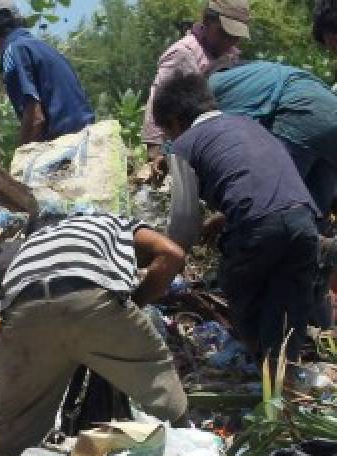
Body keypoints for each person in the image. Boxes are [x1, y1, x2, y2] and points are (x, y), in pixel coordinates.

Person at [0, 214, 189, 456]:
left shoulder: (37, 241)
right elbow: (171, 254)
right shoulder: (114, 222)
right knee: (165, 395)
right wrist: (137, 302)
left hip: (21, 312)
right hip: (89, 296)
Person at [154, 72, 322, 361]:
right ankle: (282, 383)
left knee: (242, 290)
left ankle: (255, 362)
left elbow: (184, 221)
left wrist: (165, 262)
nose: (169, 140)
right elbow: (265, 181)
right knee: (286, 308)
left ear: (174, 121)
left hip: (257, 227)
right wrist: (224, 216)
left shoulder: (184, 146)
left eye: (167, 133)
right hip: (303, 221)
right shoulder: (249, 124)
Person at [208, 59, 337, 221]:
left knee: (270, 195)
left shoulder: (216, 83)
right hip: (332, 114)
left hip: (301, 116)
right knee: (314, 213)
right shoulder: (266, 72)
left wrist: (226, 214)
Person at [142, 0, 249, 174]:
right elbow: (158, 99)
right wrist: (155, 151)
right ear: (207, 22)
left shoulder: (231, 55)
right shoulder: (185, 53)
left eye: (236, 36)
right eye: (224, 33)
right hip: (187, 141)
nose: (230, 40)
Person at [0, 0, 95, 145]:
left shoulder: (13, 51)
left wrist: (22, 155)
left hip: (65, 144)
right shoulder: (45, 48)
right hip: (87, 136)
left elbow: (35, 117)